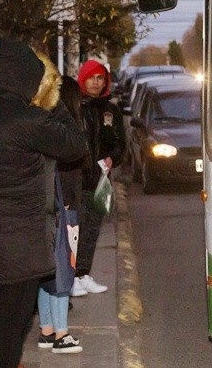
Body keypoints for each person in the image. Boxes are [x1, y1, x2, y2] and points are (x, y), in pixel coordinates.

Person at [0, 38, 87, 368]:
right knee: (13, 325)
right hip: (20, 236)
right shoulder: (28, 119)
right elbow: (76, 145)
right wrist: (52, 100)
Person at [37, 75, 89, 354]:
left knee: (47, 270)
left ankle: (47, 329)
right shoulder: (65, 132)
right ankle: (61, 333)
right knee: (62, 270)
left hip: (47, 208)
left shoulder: (44, 125)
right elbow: (69, 170)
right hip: (63, 208)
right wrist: (69, 205)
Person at [71, 59, 126, 297]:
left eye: (100, 78)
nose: (96, 82)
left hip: (100, 182)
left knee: (93, 230)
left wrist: (113, 158)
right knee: (75, 231)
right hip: (76, 181)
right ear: (83, 79)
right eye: (91, 77)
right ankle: (70, 277)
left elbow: (119, 143)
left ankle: (83, 274)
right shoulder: (74, 107)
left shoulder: (110, 110)